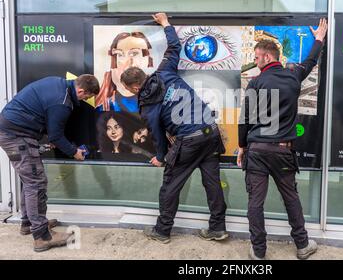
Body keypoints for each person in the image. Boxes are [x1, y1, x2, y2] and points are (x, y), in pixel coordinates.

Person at [120, 13, 228, 244]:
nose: (129, 92)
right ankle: (217, 228)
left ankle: (162, 231)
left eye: (129, 88)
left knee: (170, 184)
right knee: (212, 182)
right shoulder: (164, 71)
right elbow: (175, 46)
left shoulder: (148, 106)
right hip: (210, 131)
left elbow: (158, 136)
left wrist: (161, 157)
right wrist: (166, 24)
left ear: (136, 85)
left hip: (188, 140)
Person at [237, 18, 328, 260]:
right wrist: (319, 38)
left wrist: (242, 146)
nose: (254, 62)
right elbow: (310, 62)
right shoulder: (292, 76)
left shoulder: (255, 83)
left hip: (256, 149)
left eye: (256, 58)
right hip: (282, 150)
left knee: (255, 202)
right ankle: (302, 245)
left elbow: (245, 119)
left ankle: (258, 251)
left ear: (267, 57)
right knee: (291, 198)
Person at [0, 75, 100, 252]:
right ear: (81, 90)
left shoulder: (58, 84)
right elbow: (55, 136)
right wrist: (74, 152)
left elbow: (45, 116)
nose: (84, 100)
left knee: (30, 181)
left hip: (12, 131)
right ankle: (42, 236)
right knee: (36, 183)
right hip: (16, 136)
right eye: (85, 97)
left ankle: (29, 223)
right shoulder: (62, 102)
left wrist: (52, 133)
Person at [96, 31, 154, 112]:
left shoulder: (157, 97)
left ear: (148, 58)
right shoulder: (106, 106)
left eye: (134, 53)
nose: (128, 62)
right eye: (119, 55)